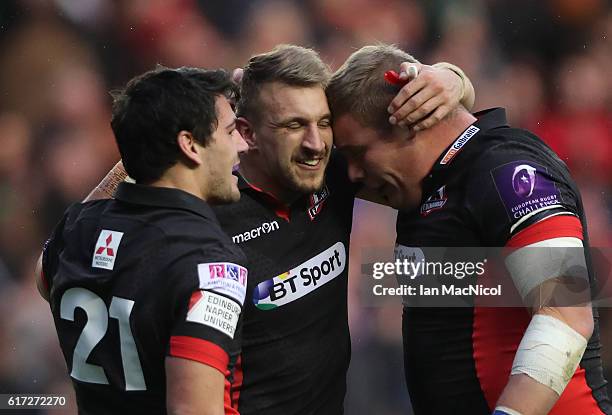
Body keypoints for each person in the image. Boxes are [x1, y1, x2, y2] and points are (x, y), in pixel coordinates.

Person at [78, 44, 475, 414]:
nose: (316, 143)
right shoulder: (197, 219)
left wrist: (453, 79)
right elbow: (68, 254)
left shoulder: (335, 173)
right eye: (294, 125)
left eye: (323, 122)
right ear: (247, 133)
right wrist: (150, 146)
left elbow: (443, 138)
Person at [328, 44, 611, 415]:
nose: (352, 174)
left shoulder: (506, 168)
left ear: (410, 118)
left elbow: (564, 317)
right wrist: (454, 76)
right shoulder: (425, 186)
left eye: (357, 154)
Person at [35, 67, 249, 414]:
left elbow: (43, 277)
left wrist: (145, 145)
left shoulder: (77, 229)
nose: (241, 144)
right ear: (190, 145)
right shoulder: (210, 262)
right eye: (229, 132)